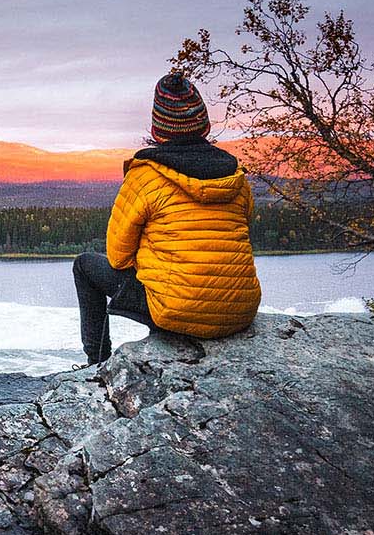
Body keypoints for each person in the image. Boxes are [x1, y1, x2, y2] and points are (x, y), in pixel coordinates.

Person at [75, 72, 260, 364]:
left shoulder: (146, 175)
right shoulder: (236, 176)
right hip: (240, 311)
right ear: (204, 125)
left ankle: (96, 366)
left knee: (85, 265)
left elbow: (118, 257)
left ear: (158, 129)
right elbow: (243, 231)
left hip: (175, 312)